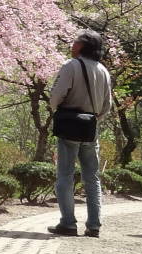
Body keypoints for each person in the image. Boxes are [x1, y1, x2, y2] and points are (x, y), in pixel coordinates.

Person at [48, 30, 114, 238]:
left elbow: (56, 95)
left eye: (75, 41)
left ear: (83, 46)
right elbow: (107, 105)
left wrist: (56, 109)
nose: (72, 43)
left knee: (65, 175)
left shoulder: (71, 65)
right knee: (92, 177)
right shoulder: (103, 70)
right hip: (90, 127)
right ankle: (94, 225)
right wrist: (93, 117)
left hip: (69, 124)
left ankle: (68, 223)